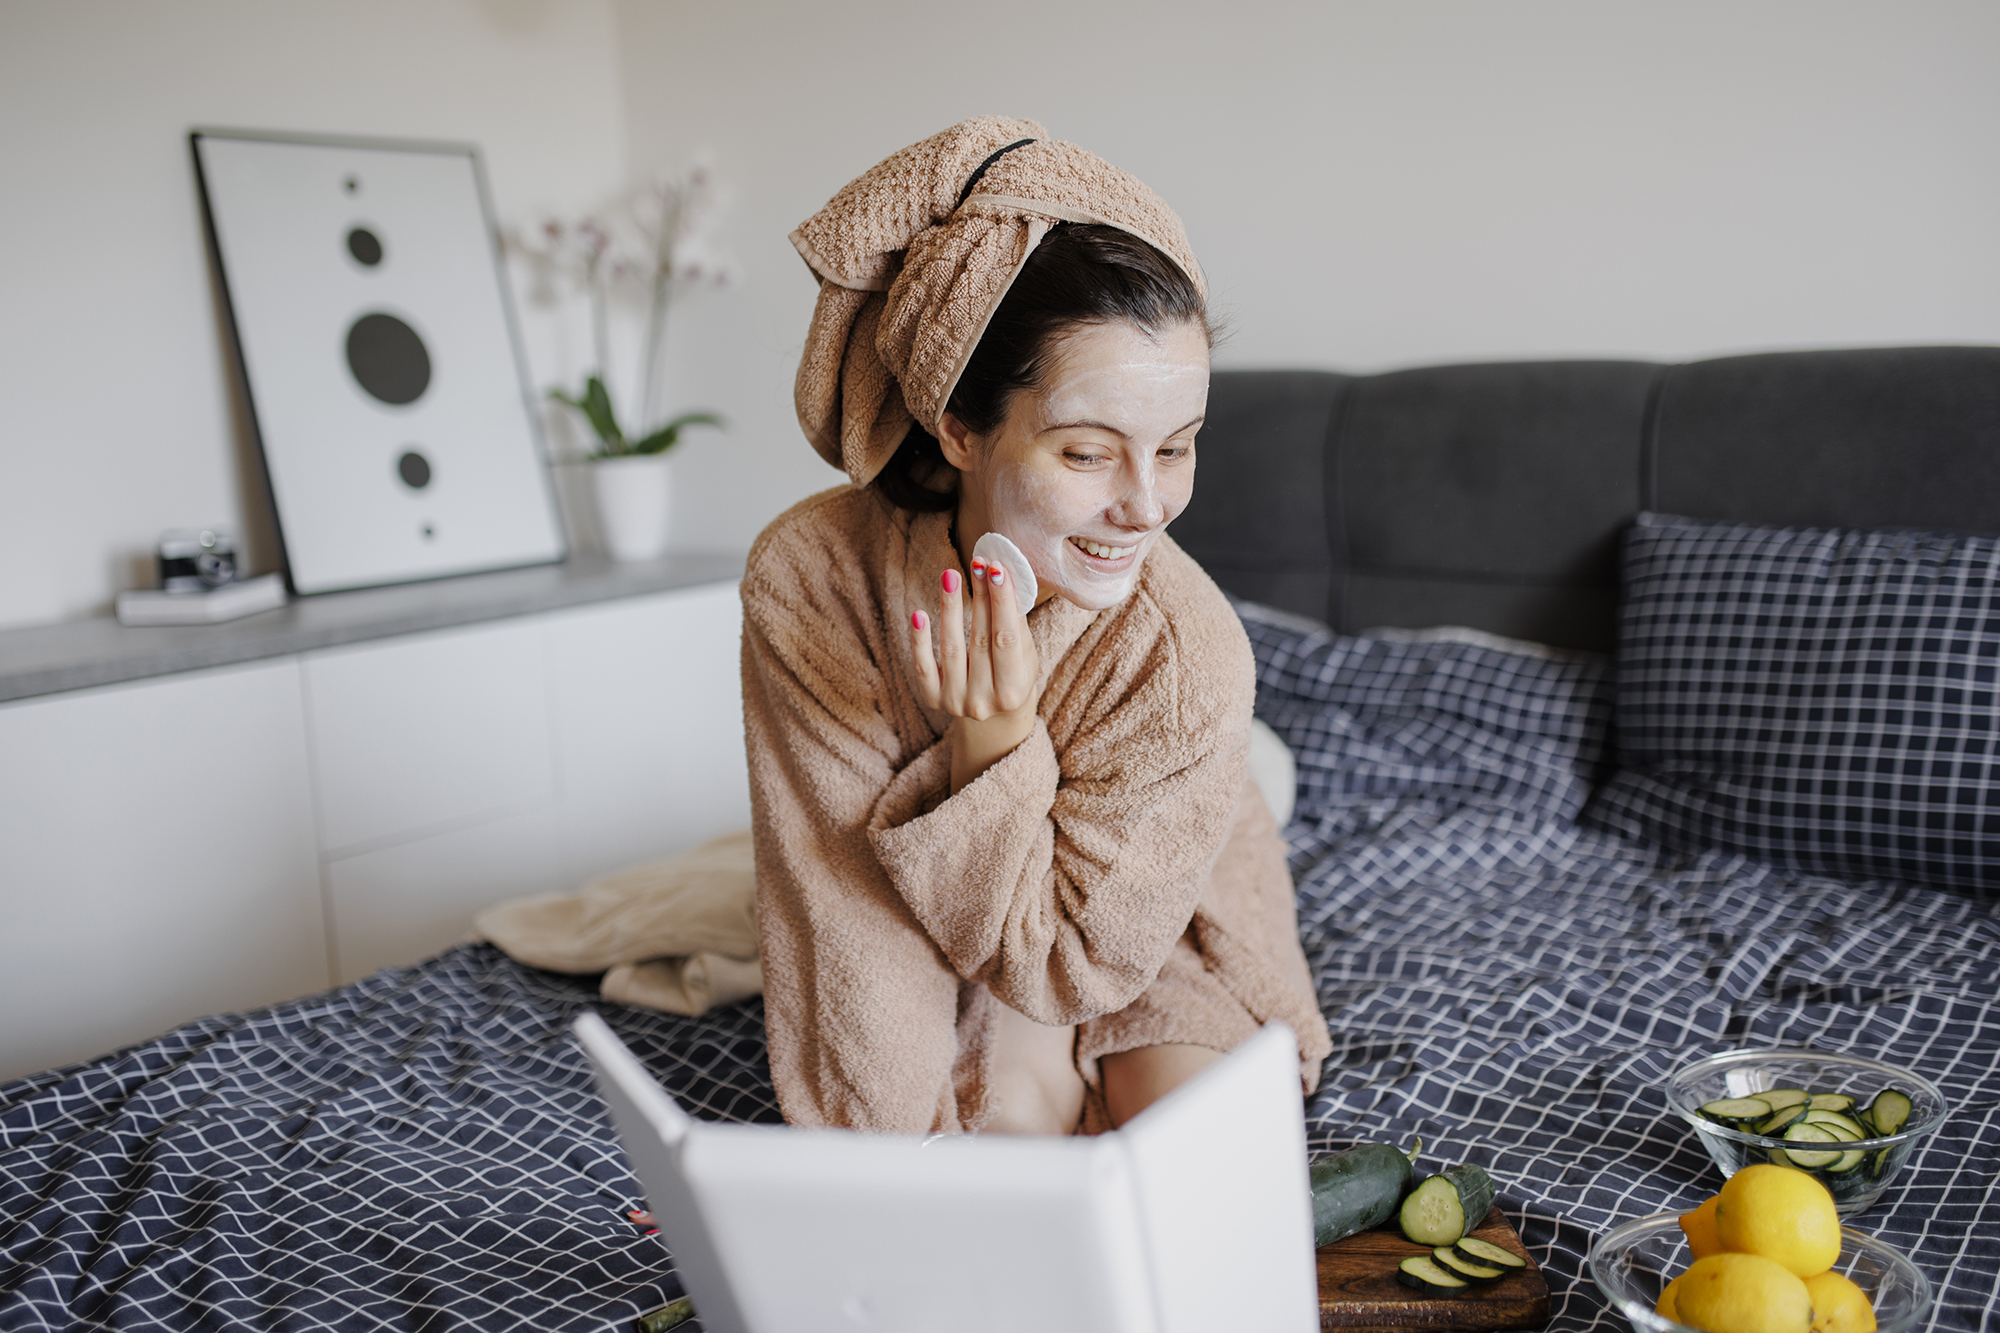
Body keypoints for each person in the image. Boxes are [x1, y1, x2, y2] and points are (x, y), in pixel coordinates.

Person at [743, 118, 1331, 1135]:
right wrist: (874, 1166)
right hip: (948, 895)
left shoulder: (1183, 653)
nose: (1146, 506)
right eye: (1085, 454)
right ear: (960, 429)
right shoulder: (813, 578)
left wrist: (995, 744)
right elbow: (840, 915)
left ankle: (1249, 784)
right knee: (997, 1122)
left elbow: (1067, 968)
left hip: (1149, 887)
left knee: (1185, 1138)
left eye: (1178, 447)